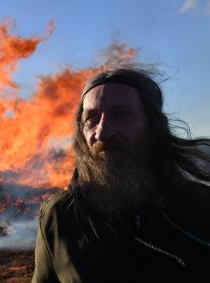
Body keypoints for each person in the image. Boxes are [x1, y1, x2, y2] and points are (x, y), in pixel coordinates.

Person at [32, 65, 210, 283]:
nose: (102, 132)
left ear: (153, 127)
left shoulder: (202, 205)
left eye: (121, 114)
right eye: (91, 119)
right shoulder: (58, 217)